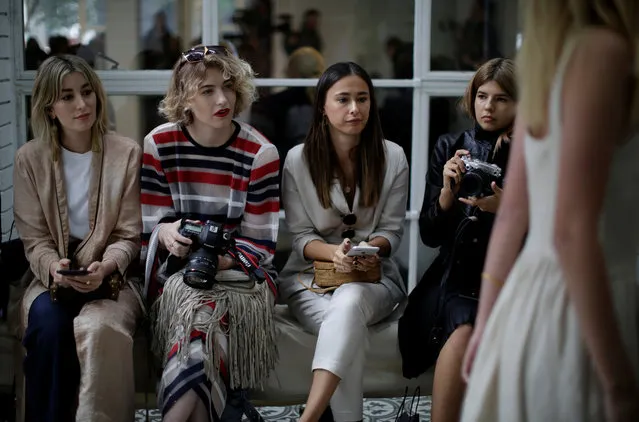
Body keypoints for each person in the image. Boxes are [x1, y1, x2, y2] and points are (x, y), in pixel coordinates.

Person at [460, 1, 639, 421]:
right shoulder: (603, 52)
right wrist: (620, 383)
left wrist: (487, 325)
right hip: (586, 301)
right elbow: (572, 231)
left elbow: (512, 215)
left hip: (532, 298)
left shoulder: (552, 62)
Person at [140, 45, 280, 421]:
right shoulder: (160, 145)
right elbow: (150, 228)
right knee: (201, 331)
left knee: (201, 329)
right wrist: (169, 232)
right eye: (207, 90)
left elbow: (262, 245)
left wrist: (219, 258)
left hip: (240, 280)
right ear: (185, 98)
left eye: (229, 87)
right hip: (178, 277)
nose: (223, 99)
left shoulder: (259, 153)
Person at [13, 54, 143, 421]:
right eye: (67, 96)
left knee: (101, 328)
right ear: (49, 107)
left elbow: (129, 234)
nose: (82, 104)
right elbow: (34, 239)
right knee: (49, 326)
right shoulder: (30, 159)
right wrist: (54, 266)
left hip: (114, 277)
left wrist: (107, 265)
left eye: (87, 92)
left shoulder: (126, 153)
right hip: (51, 277)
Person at [278, 61, 409, 422]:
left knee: (349, 301)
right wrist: (335, 254)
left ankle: (311, 416)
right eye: (344, 99)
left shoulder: (393, 156)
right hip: (309, 279)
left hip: (374, 278)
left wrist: (372, 250)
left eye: (363, 98)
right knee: (346, 326)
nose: (355, 109)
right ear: (322, 105)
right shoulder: (298, 160)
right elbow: (302, 236)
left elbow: (393, 230)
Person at [398, 58, 517, 422]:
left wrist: (505, 207)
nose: (488, 107)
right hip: (456, 276)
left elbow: (546, 235)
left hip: (509, 277)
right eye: (482, 96)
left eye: (501, 99)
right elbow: (430, 236)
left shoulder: (529, 153)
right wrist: (447, 194)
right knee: (463, 324)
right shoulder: (450, 146)